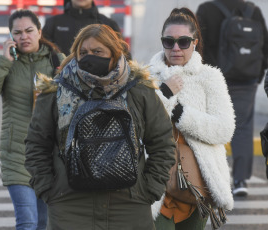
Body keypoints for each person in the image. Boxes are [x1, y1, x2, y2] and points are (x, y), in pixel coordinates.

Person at [25, 24, 176, 230]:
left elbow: (163, 142)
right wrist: (48, 189)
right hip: (69, 204)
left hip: (129, 204)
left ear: (114, 53)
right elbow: (36, 144)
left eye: (97, 52)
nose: (89, 57)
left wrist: (150, 188)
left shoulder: (139, 90)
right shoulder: (55, 91)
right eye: (84, 52)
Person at [0, 9, 65, 230]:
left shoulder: (57, 61)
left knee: (43, 223)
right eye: (17, 32)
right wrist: (3, 62)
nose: (23, 36)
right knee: (27, 222)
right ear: (10, 36)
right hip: (17, 153)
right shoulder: (7, 63)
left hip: (49, 154)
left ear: (39, 31)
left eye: (29, 31)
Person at [149, 8, 235, 229]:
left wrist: (180, 114)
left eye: (183, 42)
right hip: (155, 184)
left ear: (195, 42)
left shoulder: (210, 77)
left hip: (197, 181)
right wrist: (164, 94)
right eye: (169, 42)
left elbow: (224, 129)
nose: (176, 48)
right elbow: (138, 124)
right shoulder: (147, 76)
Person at [197, 0, 268, 197]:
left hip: (214, 78)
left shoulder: (206, 10)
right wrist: (257, 75)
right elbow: (265, 47)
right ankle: (240, 180)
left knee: (210, 127)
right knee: (243, 128)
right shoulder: (252, 11)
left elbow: (198, 46)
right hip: (247, 79)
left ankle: (211, 179)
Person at [42, 0, 121, 56]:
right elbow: (42, 54)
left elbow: (122, 54)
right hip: (61, 76)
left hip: (100, 78)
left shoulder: (108, 24)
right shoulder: (53, 23)